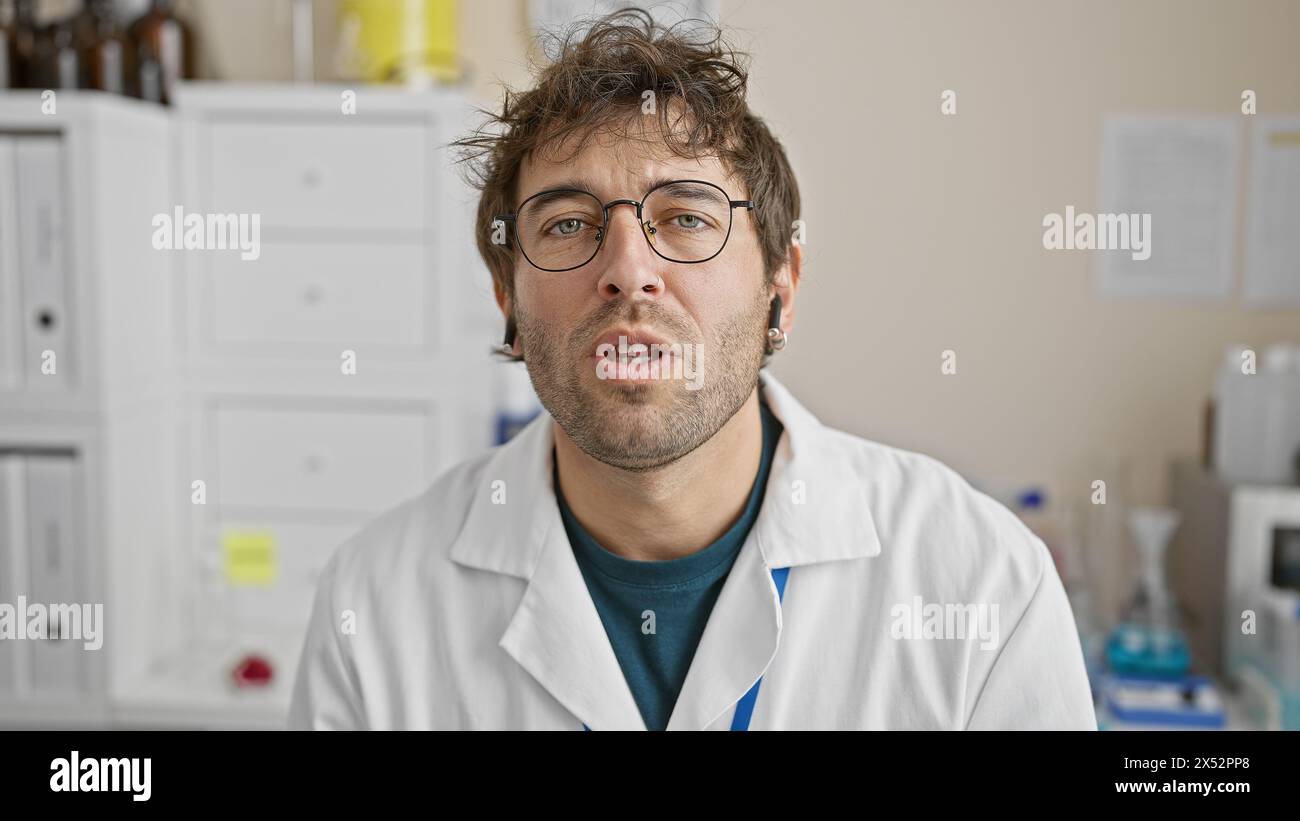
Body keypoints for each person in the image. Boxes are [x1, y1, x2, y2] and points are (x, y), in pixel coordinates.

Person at [288, 9, 1096, 731]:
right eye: (568, 223)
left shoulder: (981, 586)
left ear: (782, 283)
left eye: (686, 217)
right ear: (507, 293)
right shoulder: (375, 604)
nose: (629, 269)